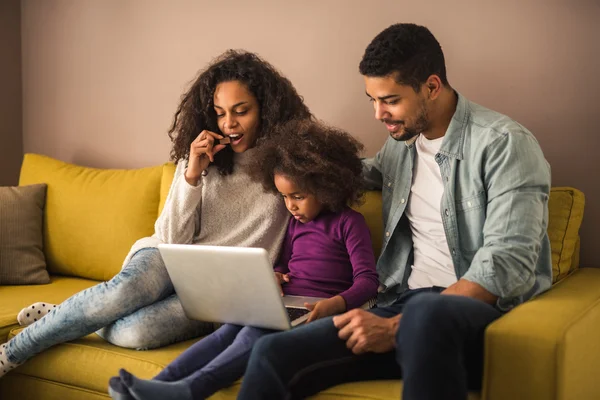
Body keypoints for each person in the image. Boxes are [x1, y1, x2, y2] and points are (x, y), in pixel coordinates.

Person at [237, 23, 552, 400]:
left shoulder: (504, 145)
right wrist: (278, 162)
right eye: (372, 99)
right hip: (403, 304)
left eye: (389, 100)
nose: (377, 114)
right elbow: (348, 174)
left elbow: (507, 263)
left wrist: (397, 328)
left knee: (426, 315)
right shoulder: (402, 147)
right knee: (272, 353)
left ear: (432, 87)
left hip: (475, 317)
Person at [0, 50, 313, 377]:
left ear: (268, 109)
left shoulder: (288, 170)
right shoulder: (202, 157)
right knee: (126, 291)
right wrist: (192, 174)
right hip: (166, 255)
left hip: (221, 288)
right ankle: (13, 352)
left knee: (134, 333)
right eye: (219, 113)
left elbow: (319, 211)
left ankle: (73, 315)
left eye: (241, 111)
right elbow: (171, 238)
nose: (228, 124)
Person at [106, 119, 379, 400]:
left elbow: (368, 281)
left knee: (252, 335)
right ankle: (159, 384)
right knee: (226, 332)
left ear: (326, 187)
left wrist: (336, 303)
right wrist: (275, 275)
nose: (290, 206)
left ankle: (188, 391)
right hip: (284, 305)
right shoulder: (296, 223)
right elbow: (285, 263)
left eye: (298, 196)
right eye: (284, 197)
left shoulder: (350, 223)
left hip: (318, 312)